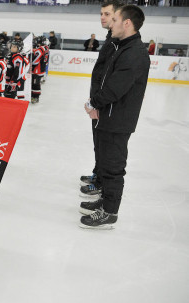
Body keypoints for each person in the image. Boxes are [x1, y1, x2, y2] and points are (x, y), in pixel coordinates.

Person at [81, 5, 150, 229]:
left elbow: (115, 88)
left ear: (127, 23)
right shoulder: (122, 47)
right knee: (106, 162)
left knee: (113, 167)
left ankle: (109, 213)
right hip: (108, 116)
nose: (111, 23)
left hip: (117, 119)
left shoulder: (135, 52)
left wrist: (93, 103)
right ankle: (105, 202)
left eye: (116, 19)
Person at [80, 0, 123, 199]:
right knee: (98, 143)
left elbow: (110, 80)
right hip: (98, 101)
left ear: (118, 16)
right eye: (101, 14)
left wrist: (97, 103)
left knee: (104, 146)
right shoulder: (110, 38)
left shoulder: (117, 42)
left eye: (107, 14)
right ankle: (98, 174)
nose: (102, 17)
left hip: (105, 106)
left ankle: (100, 182)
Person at [31, 36, 49, 103]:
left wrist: (31, 64)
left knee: (35, 83)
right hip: (42, 69)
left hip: (37, 70)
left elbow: (35, 61)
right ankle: (35, 96)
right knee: (36, 83)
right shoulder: (46, 48)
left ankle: (35, 97)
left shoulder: (40, 49)